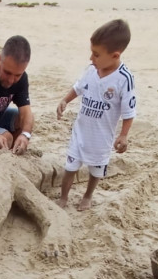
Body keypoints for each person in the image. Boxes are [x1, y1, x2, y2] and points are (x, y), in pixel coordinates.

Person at [55, 20, 137, 211]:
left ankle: (88, 195)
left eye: (96, 54)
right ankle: (64, 197)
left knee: (97, 168)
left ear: (115, 55)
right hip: (81, 130)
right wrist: (65, 100)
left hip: (102, 136)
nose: (91, 58)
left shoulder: (124, 79)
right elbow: (78, 88)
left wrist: (124, 135)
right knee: (70, 166)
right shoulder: (91, 70)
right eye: (92, 52)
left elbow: (129, 111)